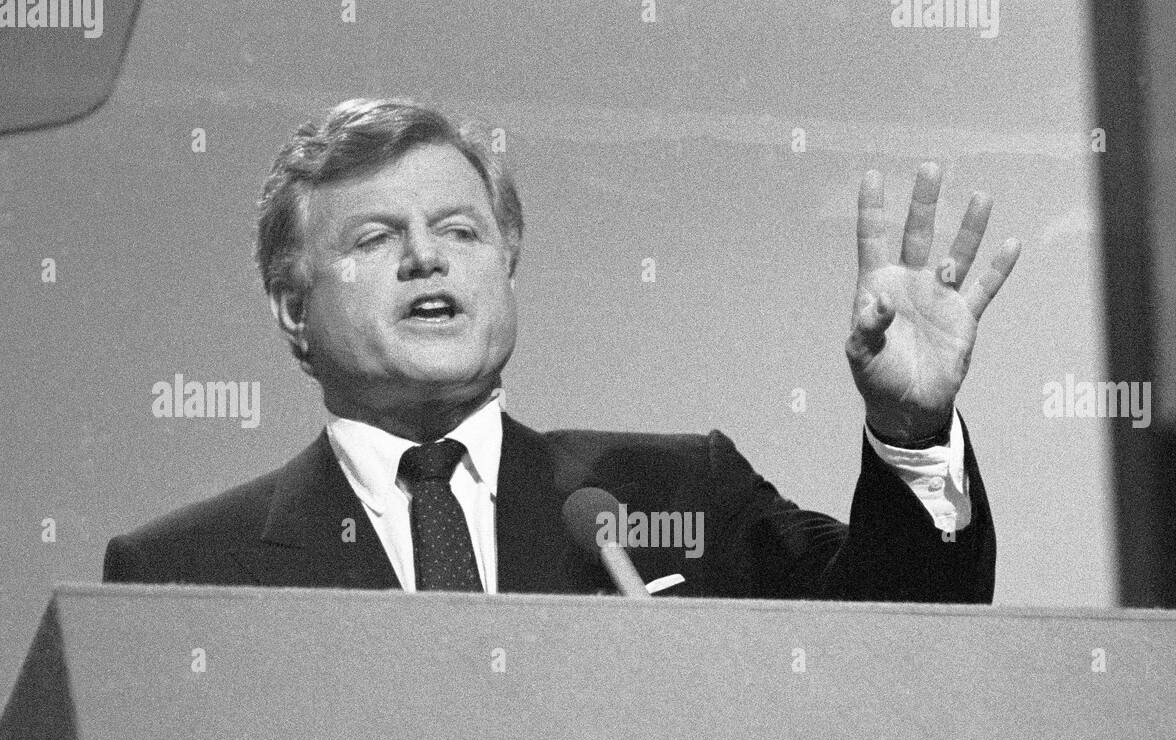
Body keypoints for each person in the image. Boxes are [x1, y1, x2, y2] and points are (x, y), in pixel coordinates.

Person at [103, 98, 1019, 602]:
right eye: (375, 239)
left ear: (508, 263)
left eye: (459, 230)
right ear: (292, 308)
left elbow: (897, 642)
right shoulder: (189, 575)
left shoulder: (680, 495)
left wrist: (912, 427)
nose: (426, 256)